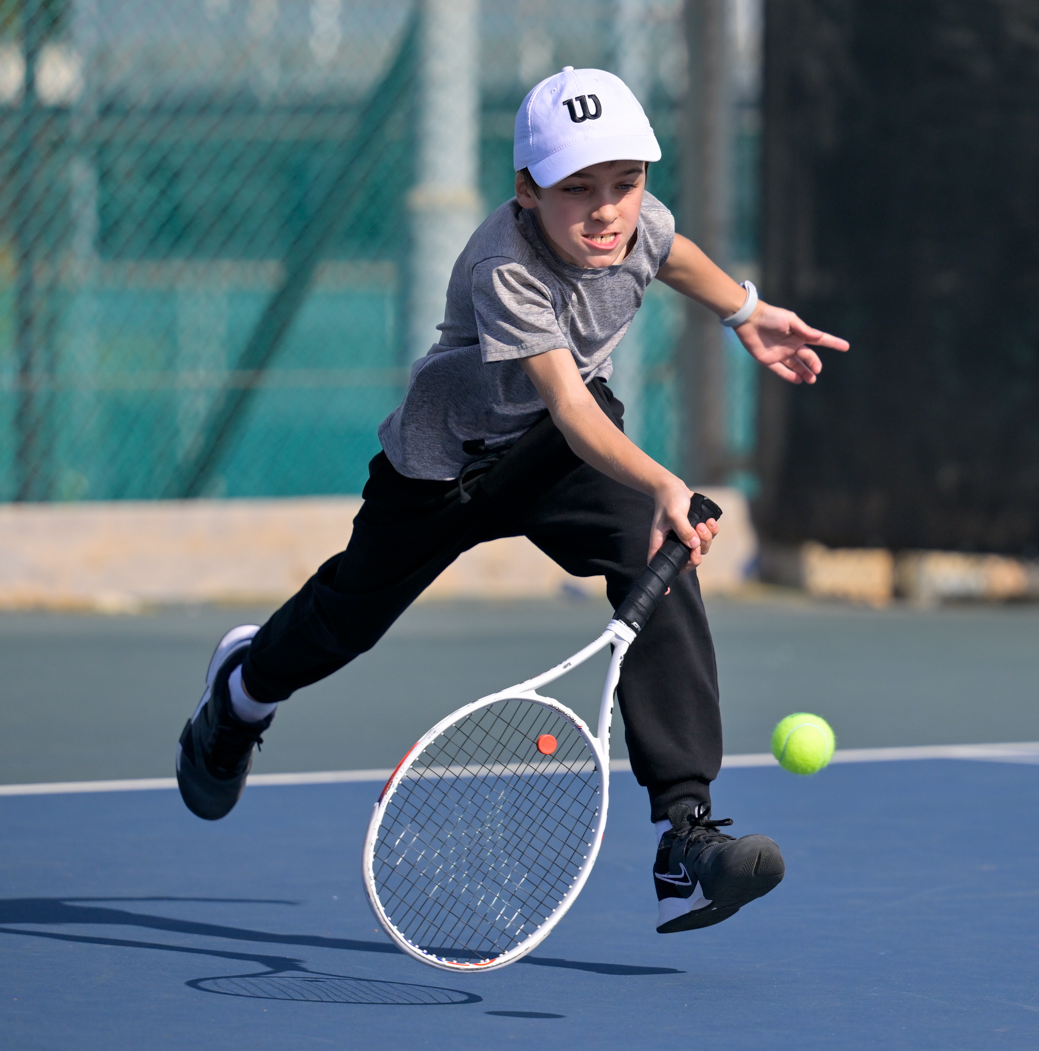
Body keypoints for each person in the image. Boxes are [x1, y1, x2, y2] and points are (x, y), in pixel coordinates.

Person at [174, 66, 849, 934]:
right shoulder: (506, 265)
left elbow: (669, 251)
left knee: (657, 556)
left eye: (625, 182)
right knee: (345, 622)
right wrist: (661, 479)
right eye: (577, 189)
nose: (606, 210)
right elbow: (567, 403)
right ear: (527, 190)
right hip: (443, 469)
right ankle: (242, 692)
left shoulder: (638, 220)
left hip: (556, 457)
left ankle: (687, 832)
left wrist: (744, 309)